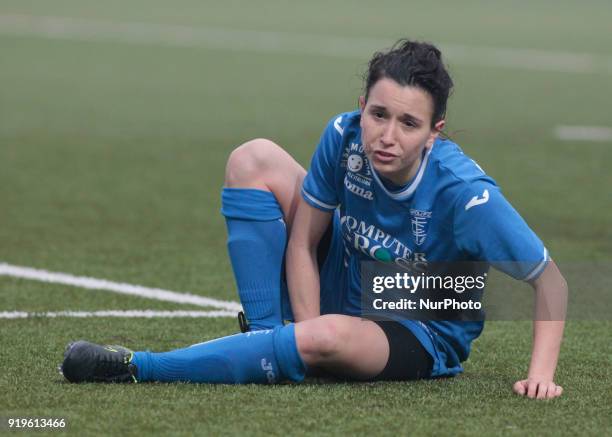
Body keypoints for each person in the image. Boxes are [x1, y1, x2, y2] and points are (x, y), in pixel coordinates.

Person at [60, 39, 567, 399]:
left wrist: (540, 374)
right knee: (253, 159)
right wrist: (297, 331)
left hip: (416, 322)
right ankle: (263, 337)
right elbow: (303, 244)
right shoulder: (344, 136)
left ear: (434, 132)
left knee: (327, 339)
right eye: (379, 114)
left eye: (408, 123)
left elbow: (550, 281)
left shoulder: (465, 196)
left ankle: (137, 366)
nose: (387, 135)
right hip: (345, 274)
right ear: (361, 105)